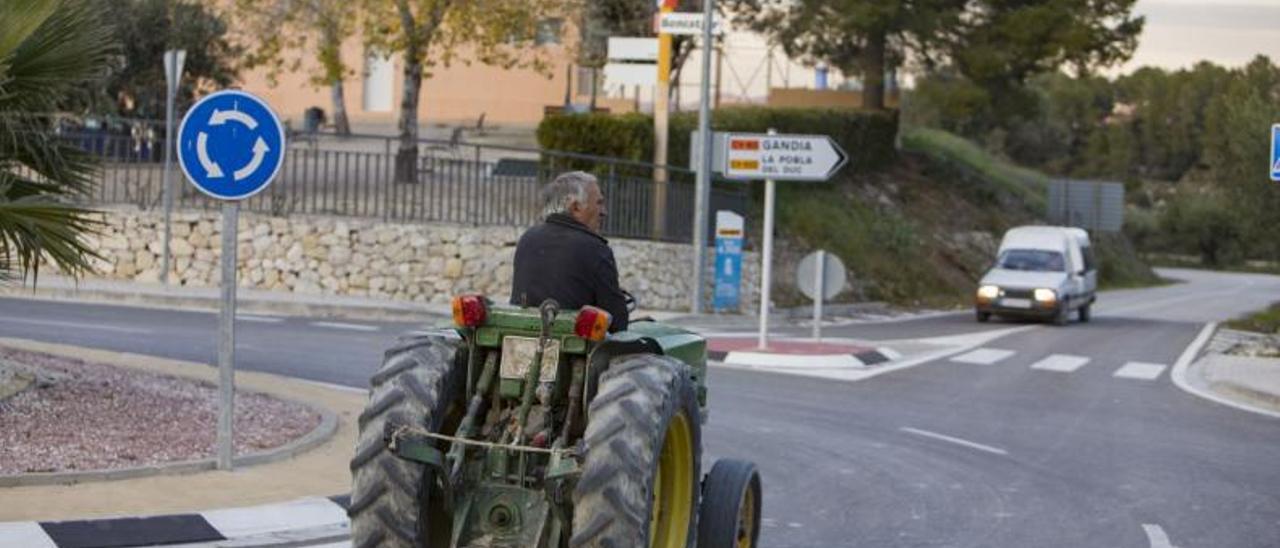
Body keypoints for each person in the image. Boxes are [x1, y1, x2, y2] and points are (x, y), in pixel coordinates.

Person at [510, 171, 629, 332]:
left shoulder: (528, 238)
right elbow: (617, 323)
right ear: (576, 207)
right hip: (575, 350)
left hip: (519, 336)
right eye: (599, 203)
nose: (604, 211)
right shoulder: (595, 248)